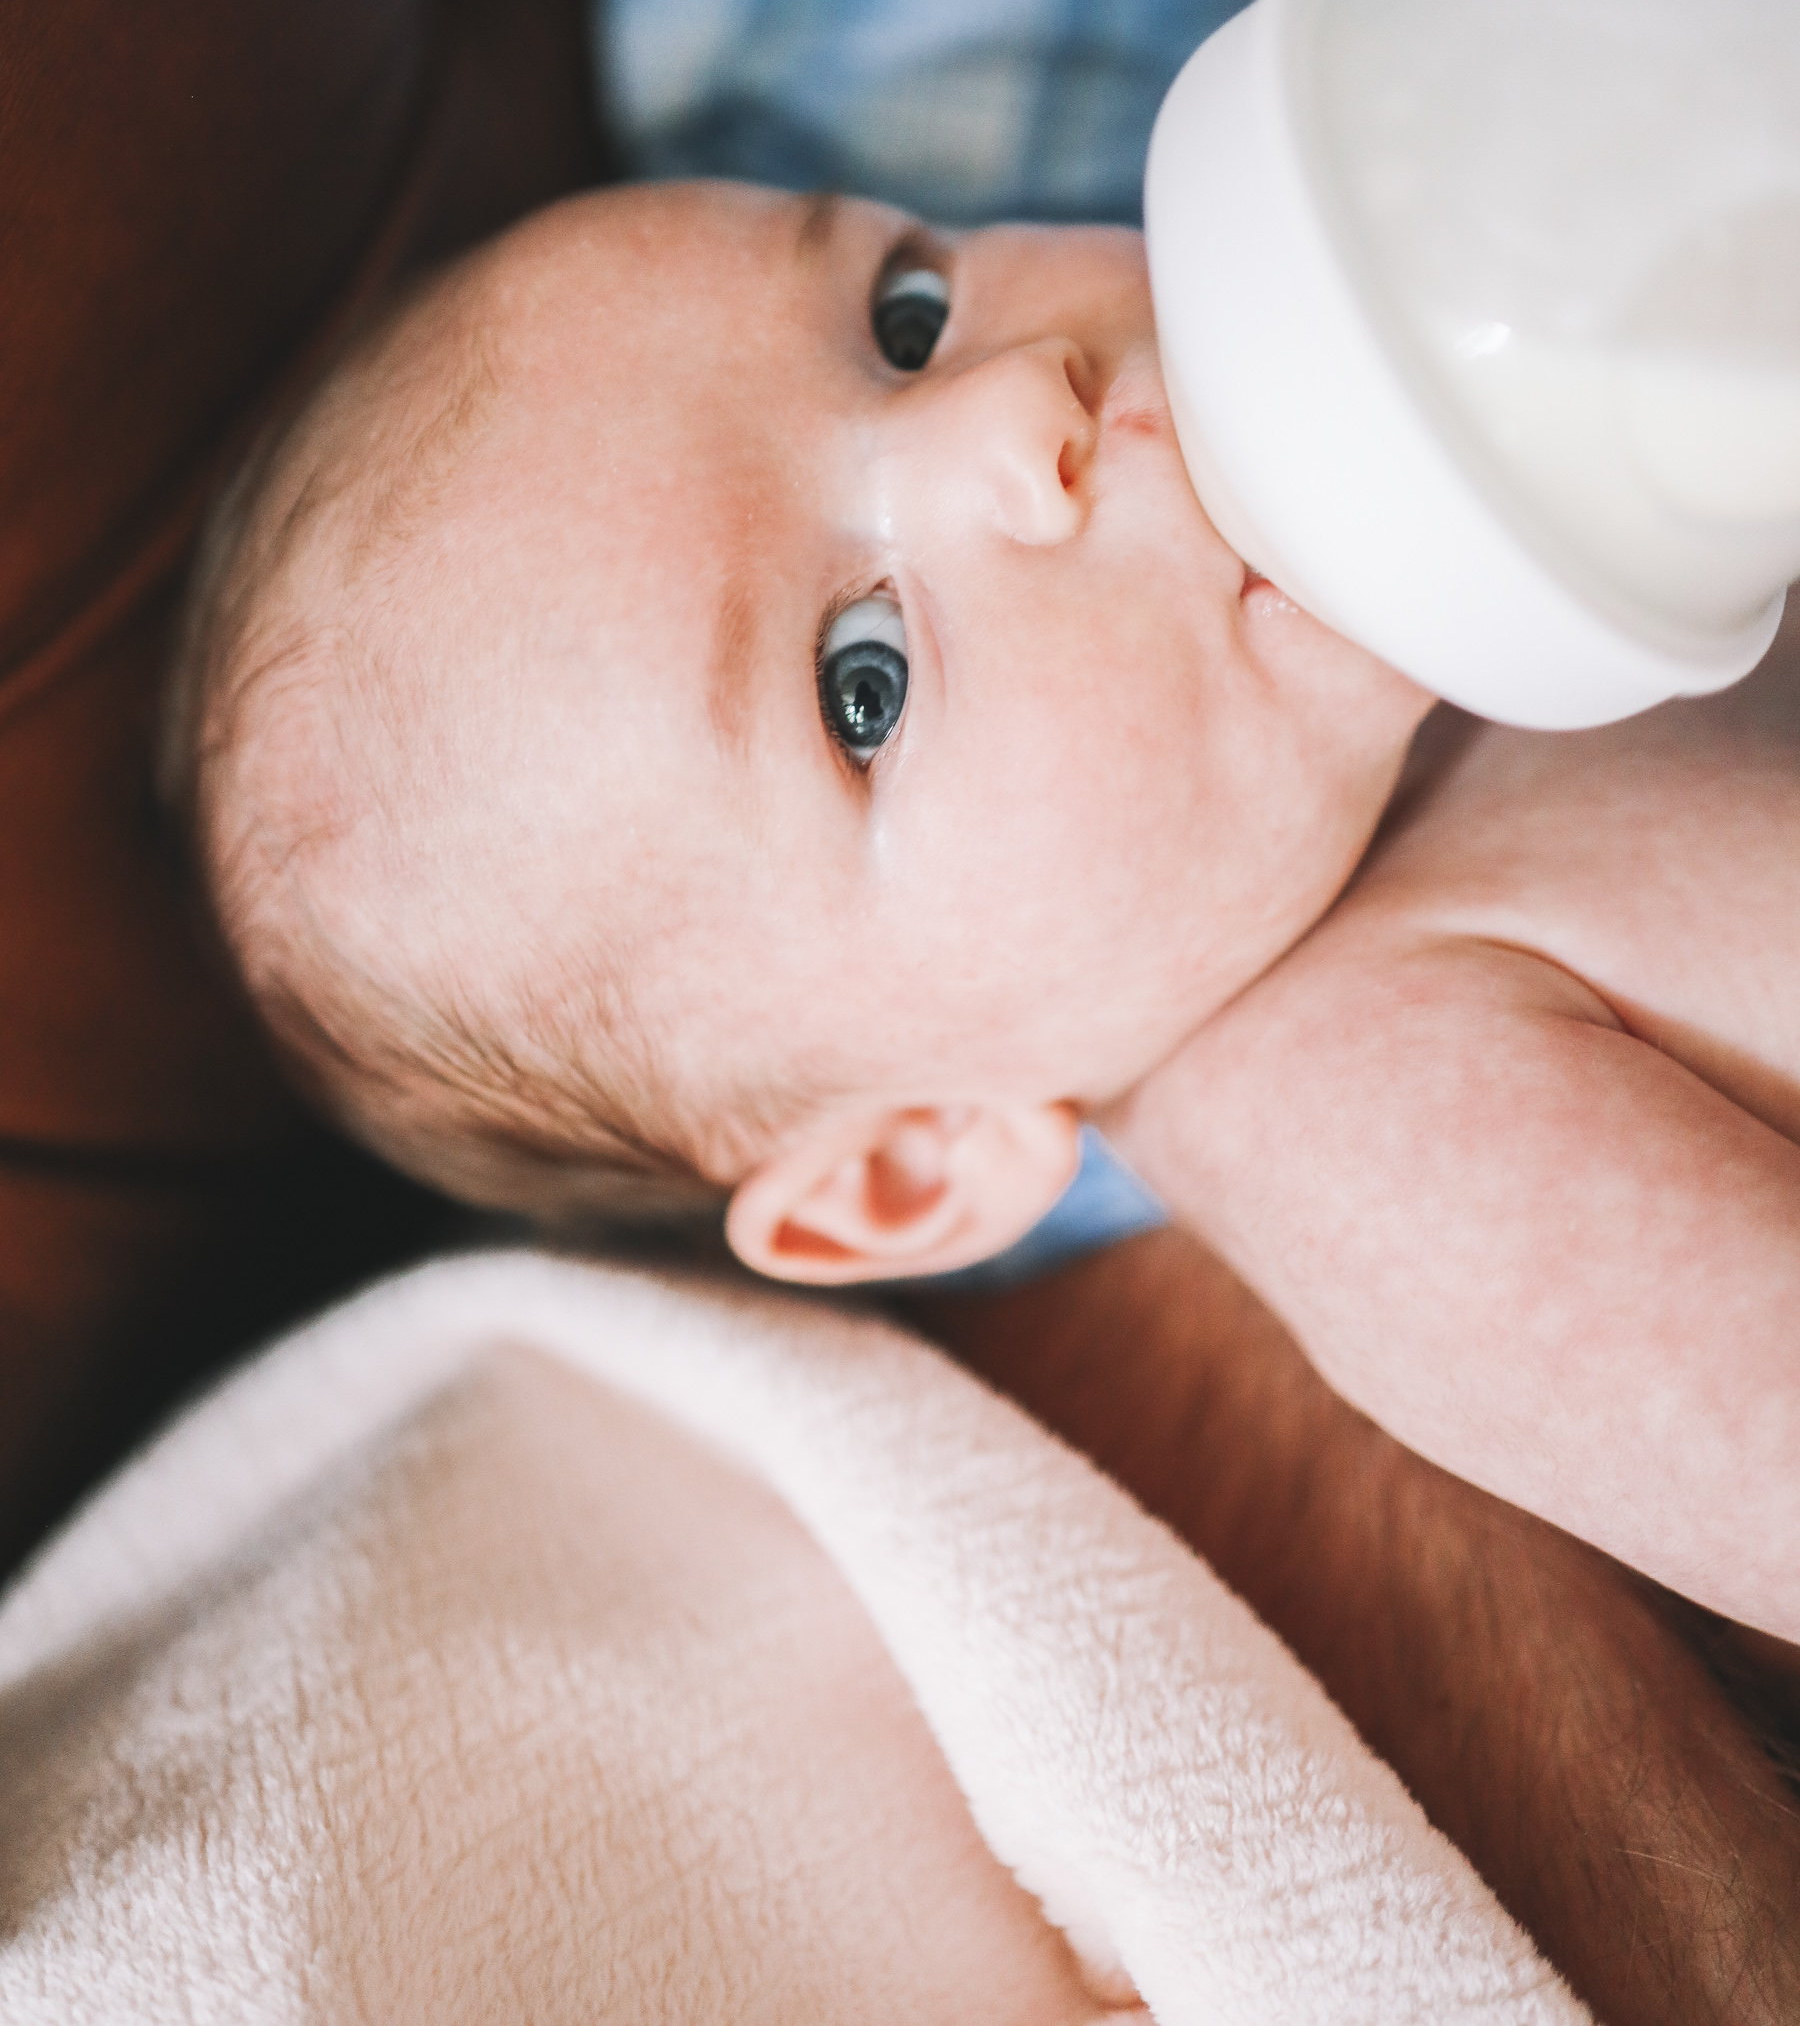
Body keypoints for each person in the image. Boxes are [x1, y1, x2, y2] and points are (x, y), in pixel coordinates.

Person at [170, 132, 1800, 1647]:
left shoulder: (1456, 365)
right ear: (921, 1164)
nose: (1022, 406)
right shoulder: (1369, 1119)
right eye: (859, 683)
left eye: (907, 310)